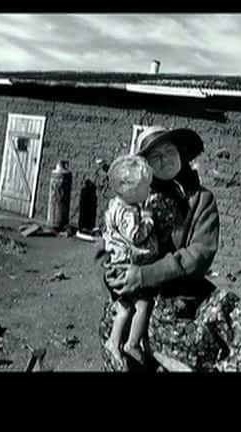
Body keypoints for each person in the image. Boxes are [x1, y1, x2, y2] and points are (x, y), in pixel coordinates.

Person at [97, 125, 220, 371]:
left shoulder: (201, 200)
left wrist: (143, 275)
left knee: (187, 348)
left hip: (179, 293)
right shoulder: (137, 196)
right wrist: (113, 271)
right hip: (135, 290)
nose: (163, 160)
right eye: (155, 156)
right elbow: (113, 239)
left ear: (182, 154)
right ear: (146, 166)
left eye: (169, 151)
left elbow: (199, 255)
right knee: (113, 327)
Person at [97, 154, 171, 371]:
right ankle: (128, 343)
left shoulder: (117, 205)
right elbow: (136, 235)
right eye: (145, 187)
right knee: (137, 306)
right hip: (125, 268)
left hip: (116, 266)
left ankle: (123, 342)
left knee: (129, 307)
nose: (149, 191)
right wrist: (148, 217)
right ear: (131, 190)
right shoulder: (128, 213)